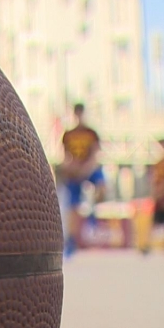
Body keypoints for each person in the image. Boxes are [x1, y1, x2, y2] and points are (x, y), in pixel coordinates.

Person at [59, 103, 106, 257]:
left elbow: (95, 155)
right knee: (73, 204)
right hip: (75, 171)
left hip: (89, 168)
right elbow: (66, 157)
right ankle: (72, 240)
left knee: (102, 185)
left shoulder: (91, 133)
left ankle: (94, 213)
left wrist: (86, 169)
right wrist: (72, 168)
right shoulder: (68, 134)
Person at [139, 138, 164, 254]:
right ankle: (148, 245)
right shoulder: (156, 164)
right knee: (155, 222)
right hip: (159, 198)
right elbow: (152, 180)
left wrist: (160, 192)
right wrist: (154, 193)